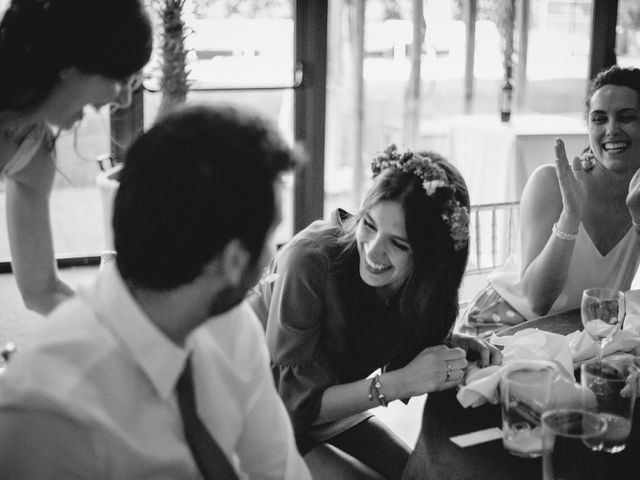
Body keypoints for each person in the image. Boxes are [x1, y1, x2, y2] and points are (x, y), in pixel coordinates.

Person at [0, 104, 312, 480]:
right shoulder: (50, 411)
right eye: (272, 235)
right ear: (233, 259)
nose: (273, 255)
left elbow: (277, 470)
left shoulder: (234, 328)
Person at [250, 144, 502, 480]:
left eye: (398, 243)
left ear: (431, 258)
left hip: (328, 407)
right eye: (368, 224)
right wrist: (397, 384)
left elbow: (394, 346)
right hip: (261, 410)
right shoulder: (309, 261)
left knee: (421, 477)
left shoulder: (422, 288)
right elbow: (292, 405)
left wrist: (448, 343)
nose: (372, 250)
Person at [458, 65, 640, 337]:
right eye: (599, 119)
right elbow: (538, 301)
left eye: (626, 117)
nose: (611, 129)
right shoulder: (551, 183)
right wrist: (570, 216)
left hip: (575, 336)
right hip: (503, 326)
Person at [0, 0, 153, 315]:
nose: (124, 100)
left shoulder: (33, 155)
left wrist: (129, 337)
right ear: (68, 63)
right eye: (120, 79)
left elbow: (42, 291)